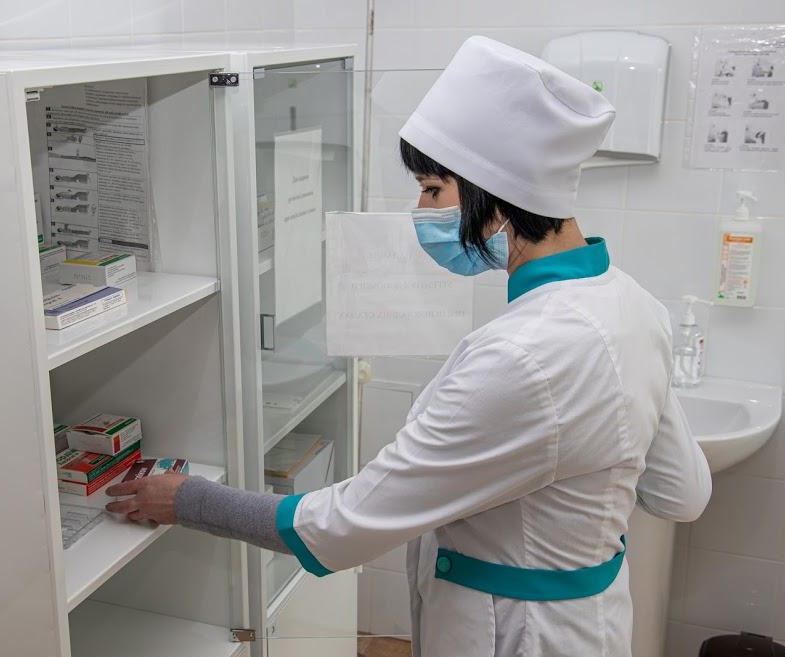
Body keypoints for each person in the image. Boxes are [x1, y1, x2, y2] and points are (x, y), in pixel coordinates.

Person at [105, 36, 712, 657]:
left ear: (495, 195)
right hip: (595, 622)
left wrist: (190, 501)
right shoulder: (635, 306)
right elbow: (682, 493)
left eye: (432, 189)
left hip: (516, 635)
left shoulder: (521, 356)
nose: (420, 210)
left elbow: (345, 524)